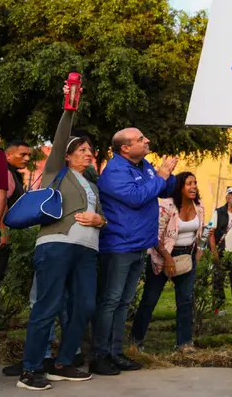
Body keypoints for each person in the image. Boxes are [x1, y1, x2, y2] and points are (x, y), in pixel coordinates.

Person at [18, 83, 105, 391]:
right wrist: (69, 109)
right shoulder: (57, 172)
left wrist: (99, 219)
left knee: (84, 305)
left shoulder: (93, 186)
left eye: (89, 150)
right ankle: (30, 370)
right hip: (56, 246)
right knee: (48, 305)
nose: (88, 153)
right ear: (67, 156)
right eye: (81, 150)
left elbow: (102, 218)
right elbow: (57, 142)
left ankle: (63, 363)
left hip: (86, 250)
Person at [92, 128, 178, 376]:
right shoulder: (115, 171)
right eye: (140, 139)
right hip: (118, 245)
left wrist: (166, 174)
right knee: (110, 301)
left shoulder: (144, 165)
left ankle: (116, 352)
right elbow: (136, 197)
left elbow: (163, 189)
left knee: (123, 303)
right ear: (125, 148)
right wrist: (161, 175)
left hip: (138, 244)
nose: (147, 140)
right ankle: (100, 355)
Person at [131, 172, 206, 352]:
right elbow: (154, 235)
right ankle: (136, 341)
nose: (194, 187)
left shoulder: (199, 207)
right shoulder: (166, 206)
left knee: (186, 300)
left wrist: (199, 251)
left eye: (195, 183)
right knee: (150, 300)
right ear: (179, 187)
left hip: (187, 256)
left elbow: (202, 230)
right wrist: (167, 258)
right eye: (189, 183)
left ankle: (184, 342)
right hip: (162, 256)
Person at [0, 140, 32, 284]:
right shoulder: (5, 173)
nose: (27, 159)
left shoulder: (12, 173)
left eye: (28, 155)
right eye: (22, 154)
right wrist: (4, 232)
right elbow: (1, 202)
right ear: (8, 155)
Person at [209, 187, 232, 316]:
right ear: (227, 197)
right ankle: (218, 308)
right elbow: (211, 232)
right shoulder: (219, 212)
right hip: (221, 252)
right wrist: (214, 251)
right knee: (218, 281)